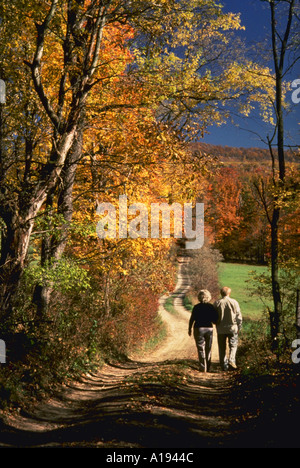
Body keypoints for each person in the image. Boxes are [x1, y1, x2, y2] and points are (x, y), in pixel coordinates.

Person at [188, 290, 219, 373]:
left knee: (200, 348)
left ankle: (202, 367)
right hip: (209, 328)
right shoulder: (211, 307)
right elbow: (215, 319)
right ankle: (208, 366)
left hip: (198, 328)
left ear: (199, 297)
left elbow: (192, 319)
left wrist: (189, 328)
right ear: (208, 297)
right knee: (208, 348)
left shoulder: (196, 307)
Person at [214, 287, 242, 371]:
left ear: (221, 293)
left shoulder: (217, 303)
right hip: (232, 327)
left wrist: (216, 323)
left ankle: (224, 366)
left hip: (221, 328)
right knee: (233, 345)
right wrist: (239, 327)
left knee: (222, 347)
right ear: (229, 293)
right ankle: (231, 360)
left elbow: (214, 316)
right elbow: (239, 316)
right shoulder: (234, 302)